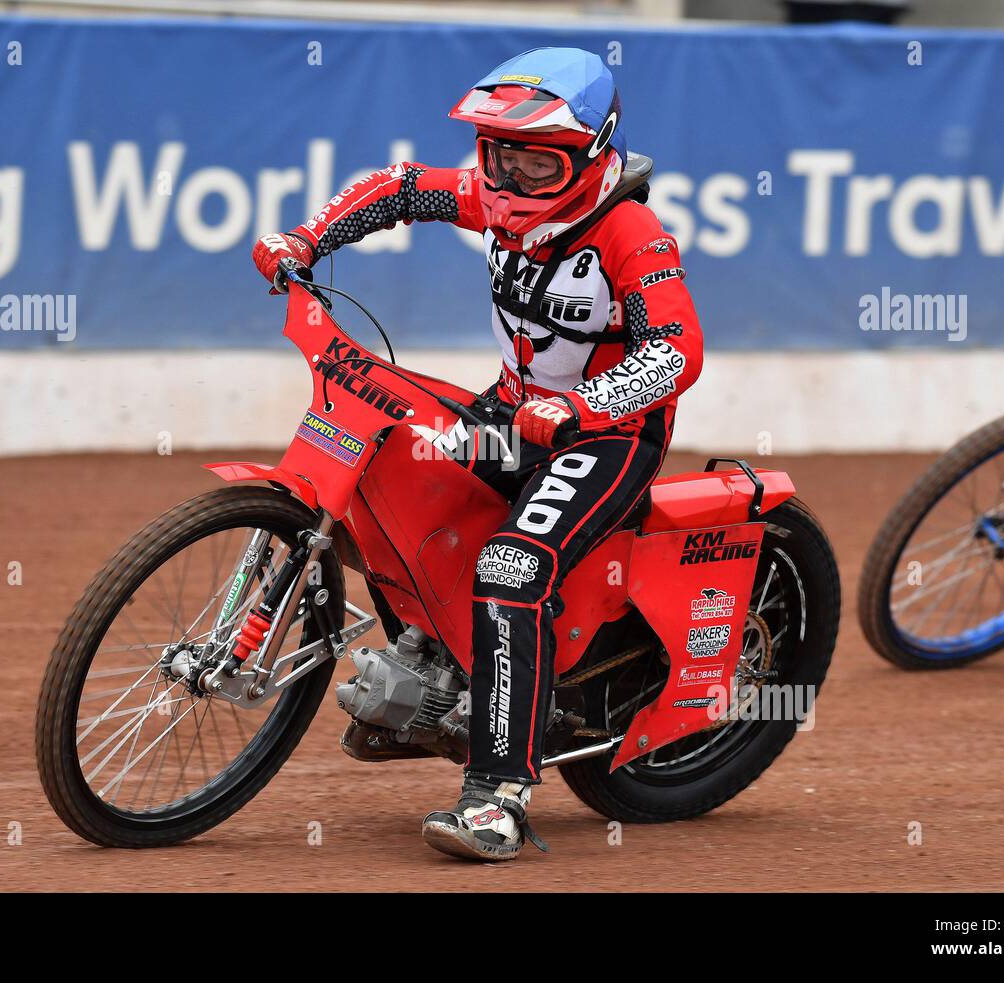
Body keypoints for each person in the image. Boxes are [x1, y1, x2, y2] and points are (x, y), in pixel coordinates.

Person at [252, 47, 703, 861]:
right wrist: (305, 239)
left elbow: (677, 351)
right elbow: (400, 187)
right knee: (394, 473)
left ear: (591, 154)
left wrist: (581, 407)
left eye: (539, 162)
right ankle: (438, 676)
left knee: (512, 565)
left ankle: (498, 796)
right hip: (512, 414)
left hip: (605, 437)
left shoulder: (632, 233)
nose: (512, 180)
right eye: (501, 156)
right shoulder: (492, 200)